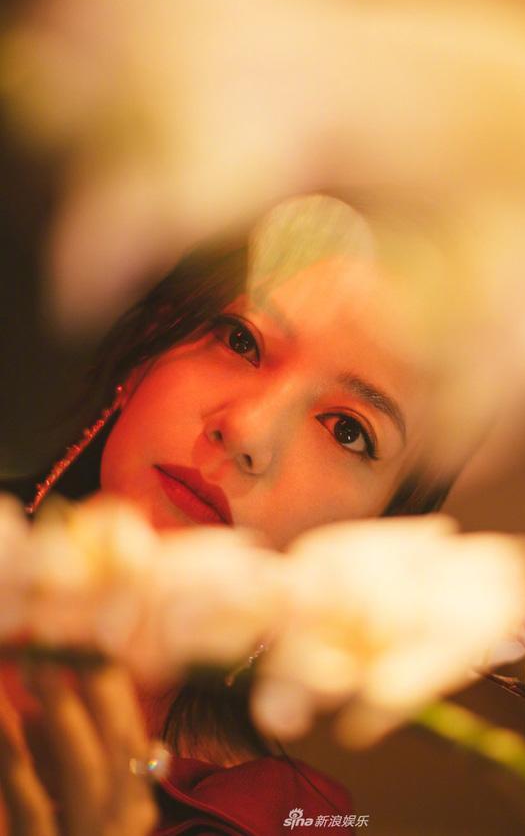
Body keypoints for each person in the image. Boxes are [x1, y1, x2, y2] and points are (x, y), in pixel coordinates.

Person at [0, 195, 455, 835]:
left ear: (374, 537)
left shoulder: (293, 820)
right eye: (241, 341)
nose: (247, 432)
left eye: (347, 431)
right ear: (148, 349)